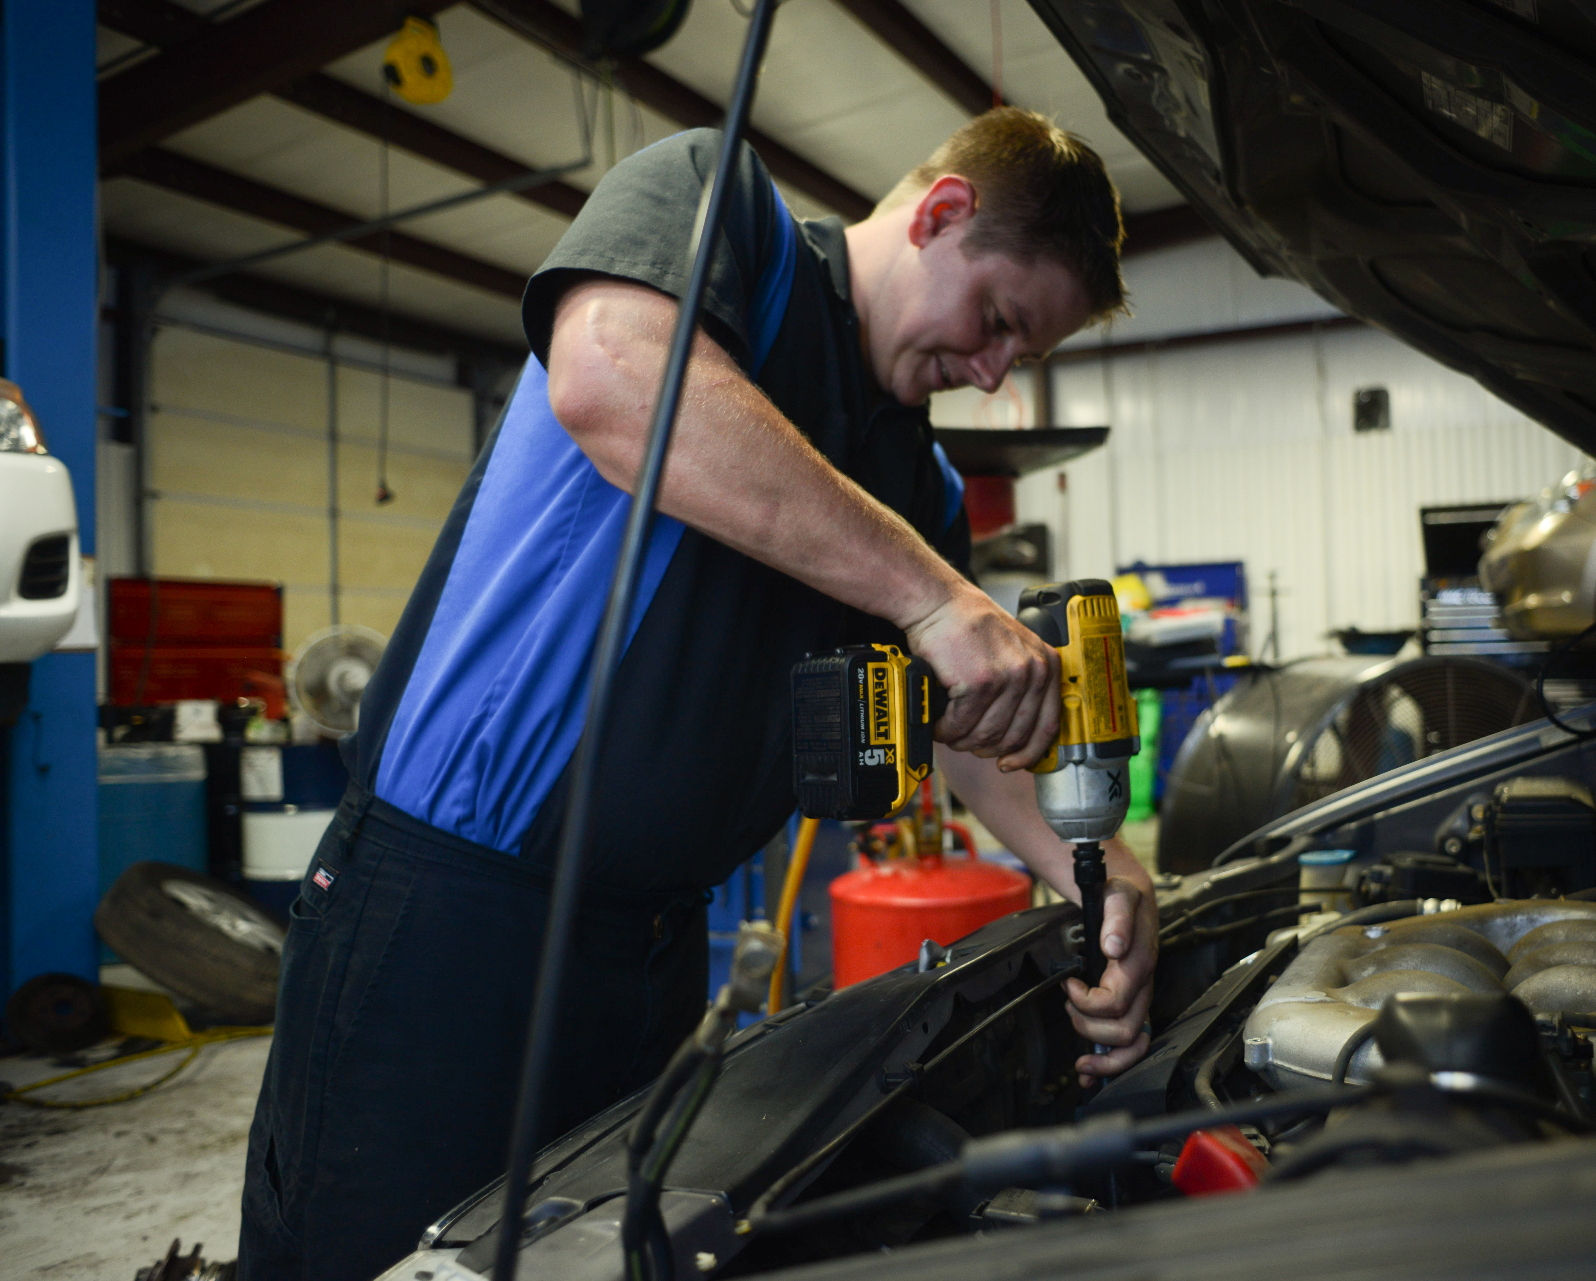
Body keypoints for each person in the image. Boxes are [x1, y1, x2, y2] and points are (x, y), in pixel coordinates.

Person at [238, 108, 1157, 1281]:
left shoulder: (914, 480)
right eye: (997, 325)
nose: (989, 375)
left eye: (1016, 360)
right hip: (451, 919)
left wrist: (1105, 870)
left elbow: (962, 725)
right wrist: (933, 599)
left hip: (651, 953)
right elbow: (611, 377)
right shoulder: (727, 214)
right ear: (941, 214)